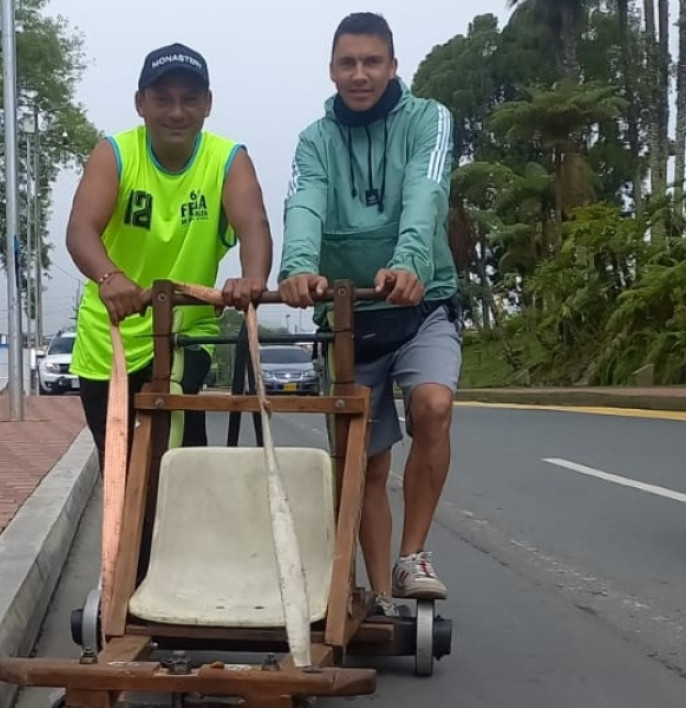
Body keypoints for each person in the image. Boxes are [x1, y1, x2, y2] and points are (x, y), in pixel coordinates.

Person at [278, 12, 462, 616]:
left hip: (420, 302)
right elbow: (304, 199)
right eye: (347, 63)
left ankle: (413, 557)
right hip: (352, 318)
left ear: (392, 65)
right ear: (332, 70)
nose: (360, 75)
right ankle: (381, 595)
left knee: (434, 404)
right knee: (366, 458)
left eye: (372, 62)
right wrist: (298, 267)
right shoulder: (315, 140)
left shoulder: (428, 120)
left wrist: (409, 260)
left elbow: (425, 191)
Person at [67, 43, 273, 466]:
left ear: (208, 104)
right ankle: (131, 532)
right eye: (163, 99)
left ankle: (175, 522)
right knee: (120, 469)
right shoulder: (116, 153)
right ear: (140, 104)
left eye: (189, 99)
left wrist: (252, 277)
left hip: (186, 334)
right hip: (111, 337)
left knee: (173, 456)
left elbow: (255, 228)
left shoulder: (227, 160)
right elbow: (80, 230)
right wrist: (110, 277)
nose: (177, 112)